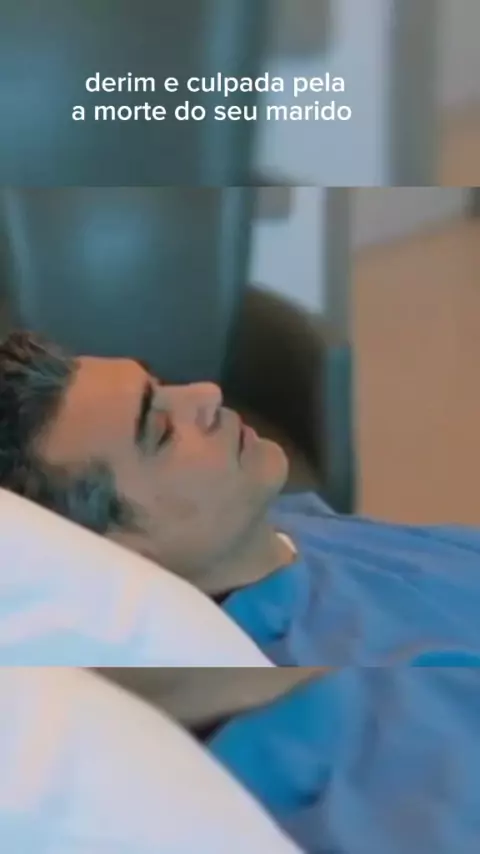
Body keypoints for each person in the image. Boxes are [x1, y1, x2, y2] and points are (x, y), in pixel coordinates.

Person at [2, 330, 480, 666]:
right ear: (112, 551)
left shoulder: (290, 517)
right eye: (162, 431)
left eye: (161, 386)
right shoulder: (329, 708)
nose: (207, 393)